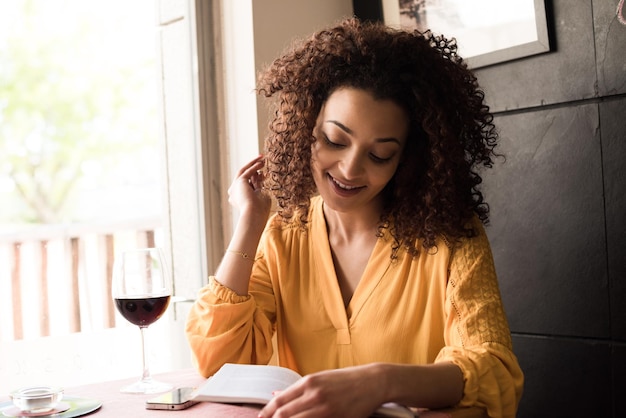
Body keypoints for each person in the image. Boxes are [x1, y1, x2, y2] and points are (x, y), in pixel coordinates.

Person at [186, 17, 524, 418]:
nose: (349, 170)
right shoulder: (283, 235)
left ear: (409, 157)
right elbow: (219, 359)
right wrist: (249, 223)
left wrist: (380, 382)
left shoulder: (451, 237)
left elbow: (491, 369)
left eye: (379, 155)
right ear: (305, 127)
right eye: (334, 140)